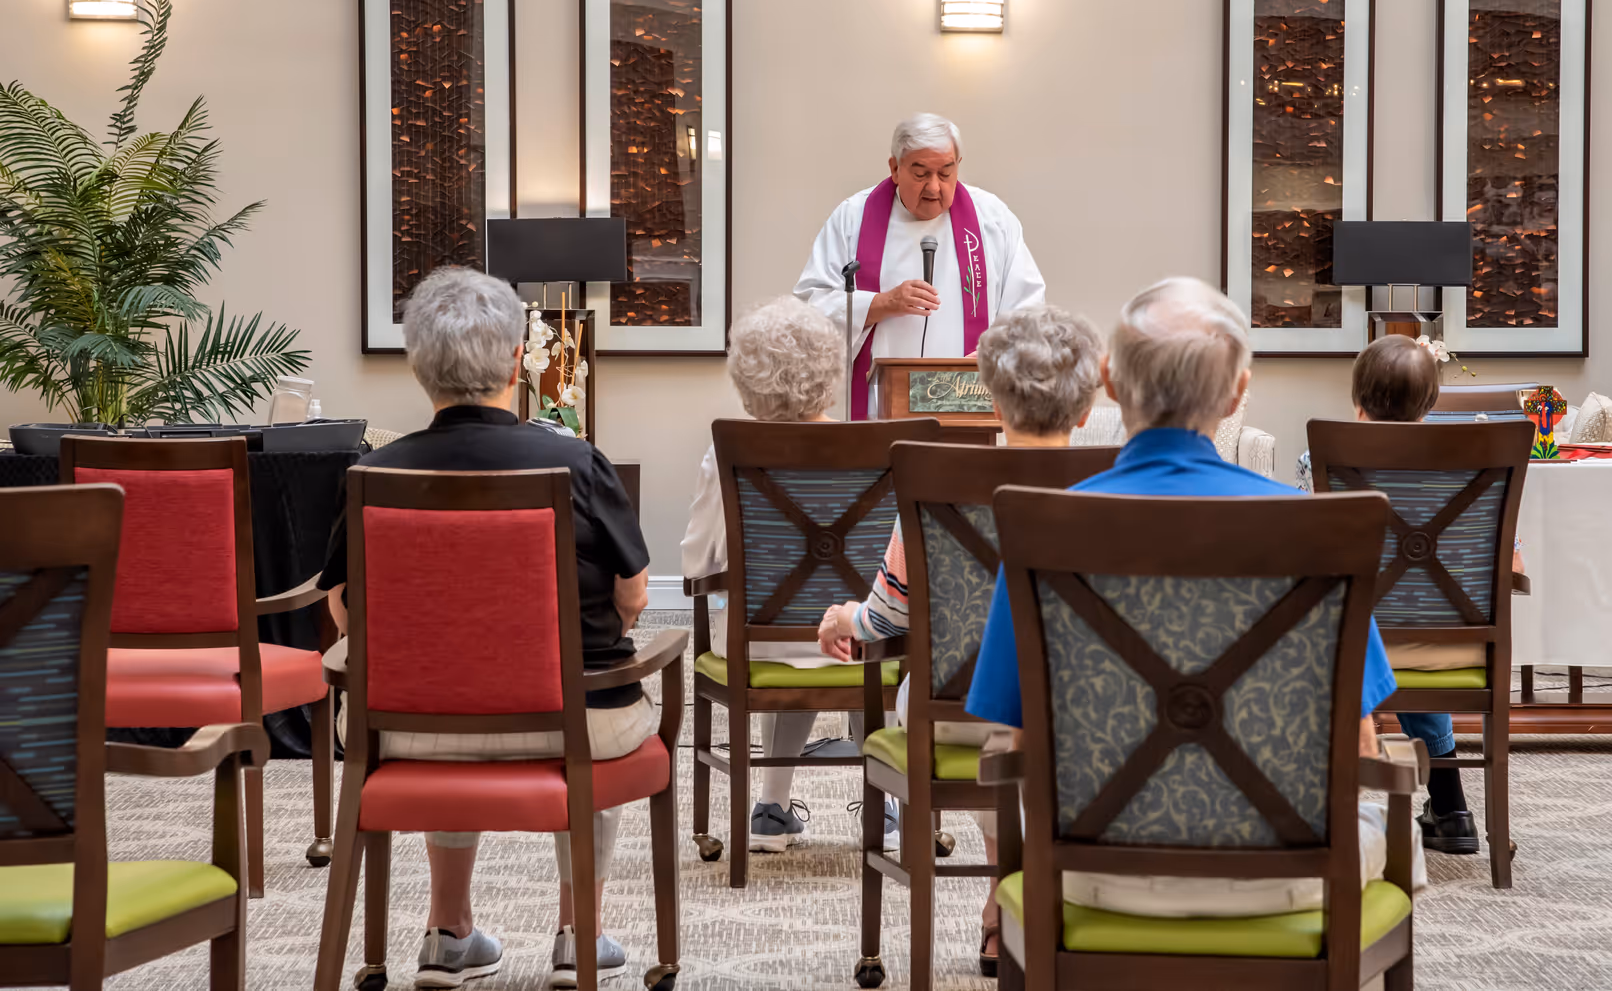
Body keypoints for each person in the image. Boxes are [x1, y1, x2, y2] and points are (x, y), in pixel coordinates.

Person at [965, 276, 1405, 918]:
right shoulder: (1318, 528)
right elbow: (1361, 743)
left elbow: (1013, 737)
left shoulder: (1041, 526)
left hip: (1086, 874)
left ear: (1109, 382)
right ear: (1237, 393)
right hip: (1296, 878)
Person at [319, 266, 651, 990]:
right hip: (576, 721)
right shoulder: (577, 461)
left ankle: (448, 931)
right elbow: (634, 595)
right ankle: (579, 936)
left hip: (405, 725)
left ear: (417, 368)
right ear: (514, 361)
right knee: (596, 699)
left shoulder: (375, 474)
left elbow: (342, 606)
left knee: (454, 681)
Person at [814, 303, 1104, 973]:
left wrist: (840, 619)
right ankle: (1018, 905)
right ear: (1087, 410)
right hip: (1092, 723)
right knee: (1031, 717)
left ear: (994, 403)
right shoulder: (1117, 485)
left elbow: (886, 620)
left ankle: (1006, 904)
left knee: (986, 710)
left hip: (953, 723)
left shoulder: (938, 482)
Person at [1340, 333, 1525, 857]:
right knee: (1419, 619)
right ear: (1432, 402)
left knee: (1378, 623)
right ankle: (1451, 808)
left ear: (1358, 402)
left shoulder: (1324, 459)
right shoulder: (1477, 463)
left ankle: (1354, 811)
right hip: (1459, 646)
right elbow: (1511, 562)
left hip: (1364, 646)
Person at [680, 296, 849, 854]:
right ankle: (889, 808)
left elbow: (698, 564)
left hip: (753, 644)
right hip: (854, 641)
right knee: (849, 637)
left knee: (782, 640)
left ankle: (771, 812)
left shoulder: (724, 452)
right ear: (829, 371)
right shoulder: (876, 450)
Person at [793, 112, 1047, 419]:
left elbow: (1028, 310)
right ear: (894, 169)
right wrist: (880, 303)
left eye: (945, 173)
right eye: (921, 173)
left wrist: (996, 354)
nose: (934, 188)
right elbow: (809, 307)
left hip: (967, 402)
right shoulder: (853, 219)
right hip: (878, 406)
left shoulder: (992, 220)